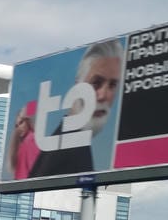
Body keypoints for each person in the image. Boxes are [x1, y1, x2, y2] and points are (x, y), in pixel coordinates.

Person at [28, 39, 123, 180]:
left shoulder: (68, 140)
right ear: (78, 85)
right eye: (96, 83)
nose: (103, 95)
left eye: (112, 85)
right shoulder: (72, 146)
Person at [4, 99, 41, 181]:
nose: (19, 127)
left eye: (21, 122)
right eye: (16, 125)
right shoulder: (27, 142)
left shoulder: (31, 140)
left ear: (28, 121)